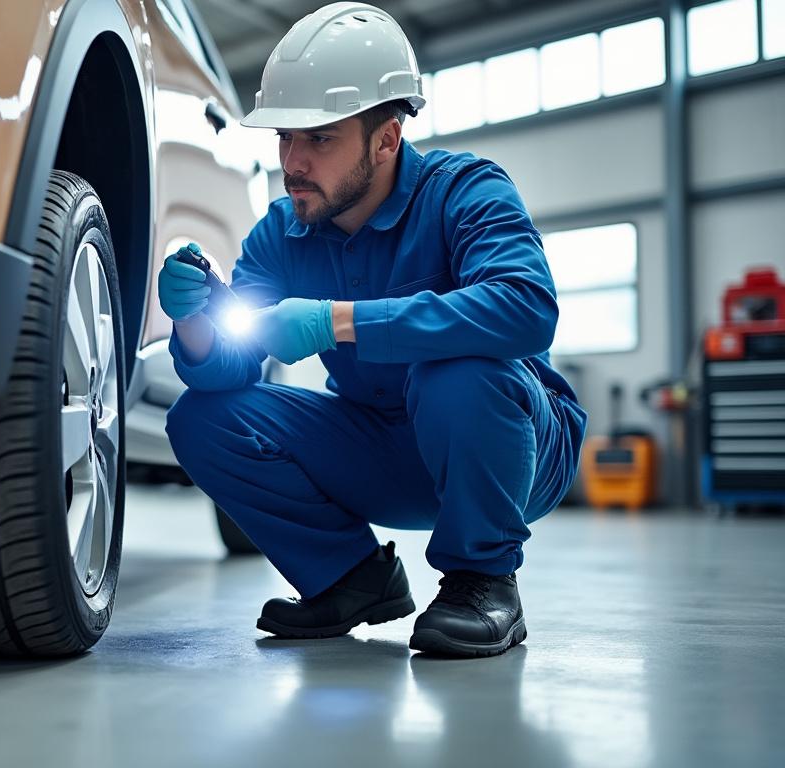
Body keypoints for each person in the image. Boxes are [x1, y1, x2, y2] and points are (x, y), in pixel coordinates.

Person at [159, 2, 587, 658]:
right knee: (202, 417)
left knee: (458, 369)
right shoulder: (283, 230)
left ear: (386, 140)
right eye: (283, 138)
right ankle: (350, 577)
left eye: (319, 138)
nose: (293, 161)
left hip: (513, 445)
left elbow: (526, 309)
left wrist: (339, 322)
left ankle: (483, 581)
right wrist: (194, 323)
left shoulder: (466, 191)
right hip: (385, 445)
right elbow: (232, 365)